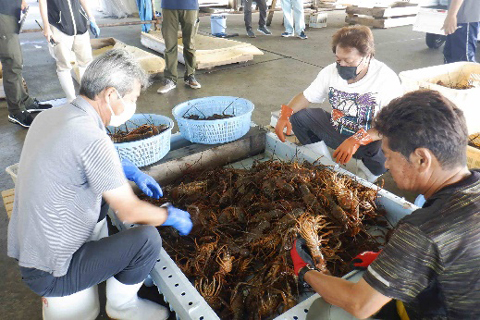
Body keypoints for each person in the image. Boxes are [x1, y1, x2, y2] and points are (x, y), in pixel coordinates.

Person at [7, 49, 192, 320]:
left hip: (30, 249)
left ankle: (102, 270)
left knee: (104, 196)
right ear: (110, 95)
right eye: (133, 98)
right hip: (51, 272)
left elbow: (75, 158)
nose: (134, 105)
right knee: (147, 239)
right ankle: (122, 307)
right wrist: (169, 215)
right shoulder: (93, 138)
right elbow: (129, 211)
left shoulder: (51, 116)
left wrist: (127, 170)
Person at [290, 89, 480, 319]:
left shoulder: (422, 230)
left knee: (323, 311)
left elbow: (360, 305)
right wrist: (397, 261)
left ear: (422, 159)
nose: (386, 165)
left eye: (389, 155)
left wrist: (306, 272)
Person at [275, 25, 403, 182]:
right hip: (339, 129)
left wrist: (357, 139)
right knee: (299, 118)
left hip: (369, 140)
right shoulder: (330, 72)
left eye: (348, 61)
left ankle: (366, 178)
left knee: (384, 152)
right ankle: (324, 165)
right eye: (338, 60)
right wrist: (285, 114)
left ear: (367, 56)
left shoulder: (386, 79)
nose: (342, 65)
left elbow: (393, 126)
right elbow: (306, 96)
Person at [0, 0, 53, 128]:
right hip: (3, 13)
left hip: (11, 12)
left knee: (16, 62)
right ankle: (15, 111)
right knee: (12, 62)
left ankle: (25, 100)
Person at [39, 0, 100, 102]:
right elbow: (42, 2)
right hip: (59, 26)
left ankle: (87, 97)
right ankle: (71, 100)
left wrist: (91, 18)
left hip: (80, 23)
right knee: (64, 65)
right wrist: (46, 26)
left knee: (86, 62)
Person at [157, 0, 201, 94]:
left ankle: (190, 76)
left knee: (189, 44)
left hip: (190, 5)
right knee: (170, 46)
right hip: (169, 5)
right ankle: (170, 79)